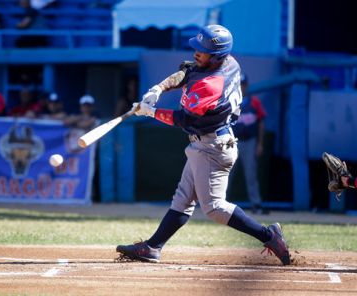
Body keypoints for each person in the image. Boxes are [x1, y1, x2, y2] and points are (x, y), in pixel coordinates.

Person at [116, 25, 291, 265]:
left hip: (212, 147)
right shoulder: (226, 62)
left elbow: (185, 119)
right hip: (208, 144)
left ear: (217, 55)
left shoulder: (211, 86)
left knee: (214, 208)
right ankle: (153, 247)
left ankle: (269, 235)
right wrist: (157, 89)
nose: (197, 52)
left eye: (203, 50)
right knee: (183, 199)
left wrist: (150, 112)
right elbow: (187, 71)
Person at [230, 73, 268, 214]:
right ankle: (218, 204)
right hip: (232, 142)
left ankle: (256, 204)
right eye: (239, 85)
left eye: (243, 84)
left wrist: (260, 144)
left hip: (249, 142)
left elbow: (261, 123)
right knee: (226, 174)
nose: (241, 87)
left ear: (247, 86)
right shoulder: (230, 102)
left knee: (251, 174)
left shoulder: (254, 102)